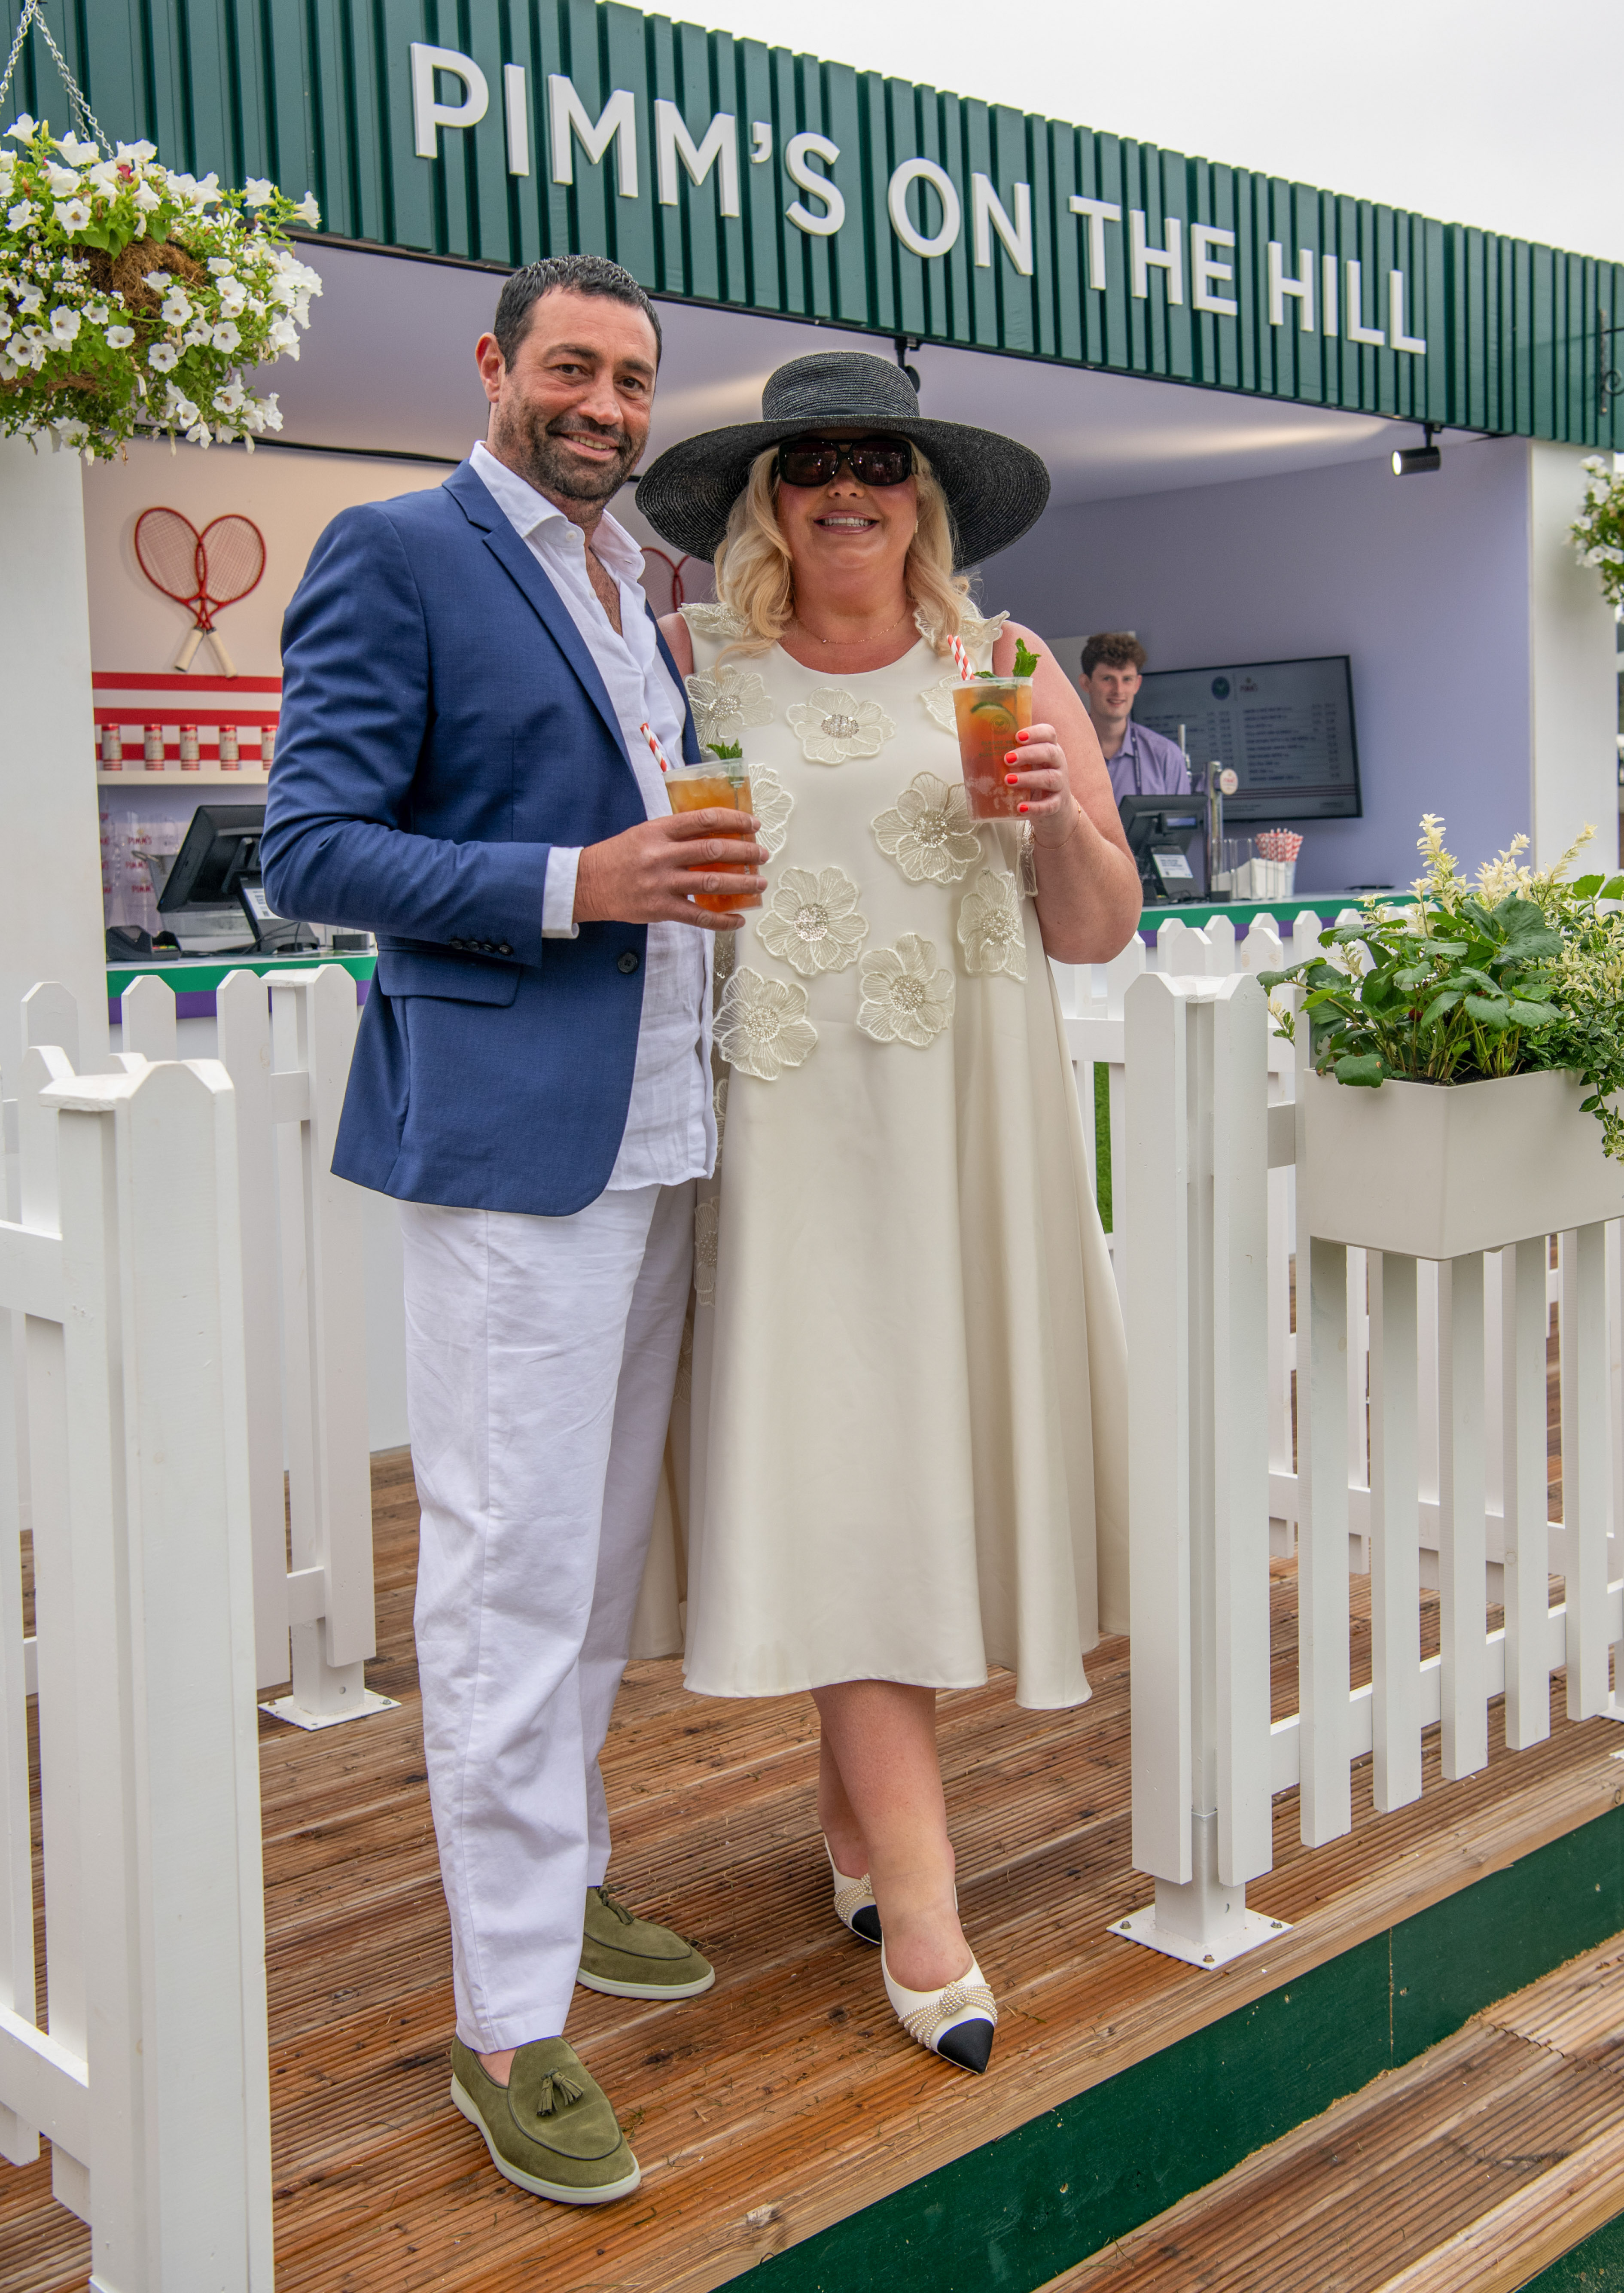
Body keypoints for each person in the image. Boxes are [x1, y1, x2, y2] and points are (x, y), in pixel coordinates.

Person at [261, 253, 768, 2208]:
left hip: (659, 1138)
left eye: (634, 379)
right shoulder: (395, 551)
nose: (609, 406)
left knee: (589, 1563)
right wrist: (587, 878)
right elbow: (311, 845)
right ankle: (505, 2022)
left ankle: (556, 1882)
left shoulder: (639, 584)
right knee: (499, 1575)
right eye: (573, 368)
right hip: (508, 1149)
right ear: (494, 367)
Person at [635, 352, 1138, 2077]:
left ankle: (857, 1829)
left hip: (963, 1124)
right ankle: (923, 1893)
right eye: (810, 465)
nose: (846, 488)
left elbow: (1095, 927)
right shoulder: (697, 672)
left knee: (910, 1461)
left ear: (923, 494)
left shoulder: (1003, 666)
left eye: (879, 461)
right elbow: (662, 896)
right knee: (850, 1460)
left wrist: (1050, 810)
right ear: (765, 501)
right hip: (787, 1128)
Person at [1078, 631, 1190, 801]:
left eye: (1127, 679)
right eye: (1108, 679)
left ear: (1137, 684)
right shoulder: (1064, 752)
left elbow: (1181, 824)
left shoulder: (1166, 756)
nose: (1119, 690)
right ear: (1086, 684)